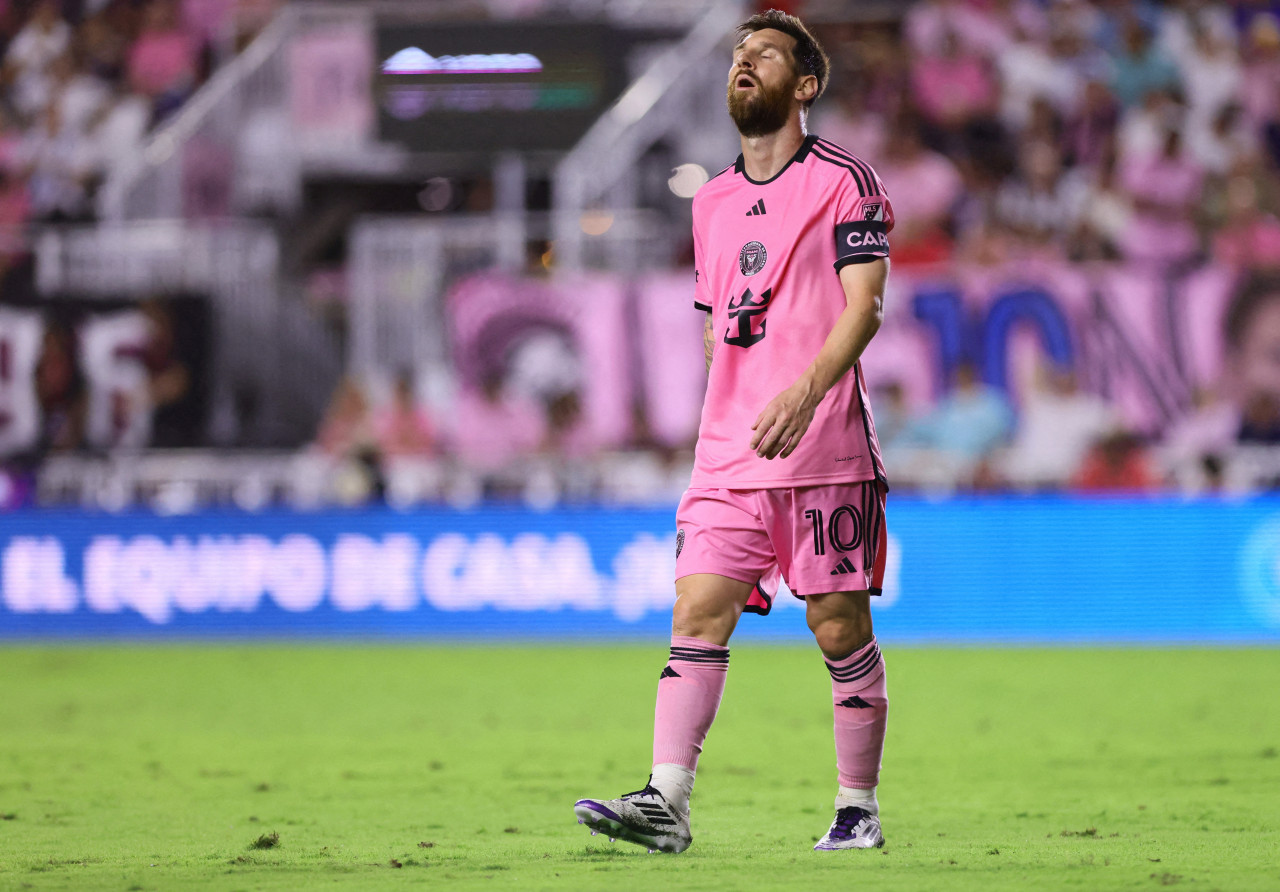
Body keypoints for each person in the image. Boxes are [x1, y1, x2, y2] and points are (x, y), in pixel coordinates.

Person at [574, 10, 894, 855]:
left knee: (838, 626)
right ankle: (665, 801)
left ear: (806, 85)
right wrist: (727, 408)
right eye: (737, 55)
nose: (742, 64)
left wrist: (803, 390)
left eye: (764, 55)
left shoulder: (845, 181)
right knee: (698, 608)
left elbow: (864, 308)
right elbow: (716, 325)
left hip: (823, 450)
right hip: (727, 457)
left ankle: (856, 810)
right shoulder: (709, 201)